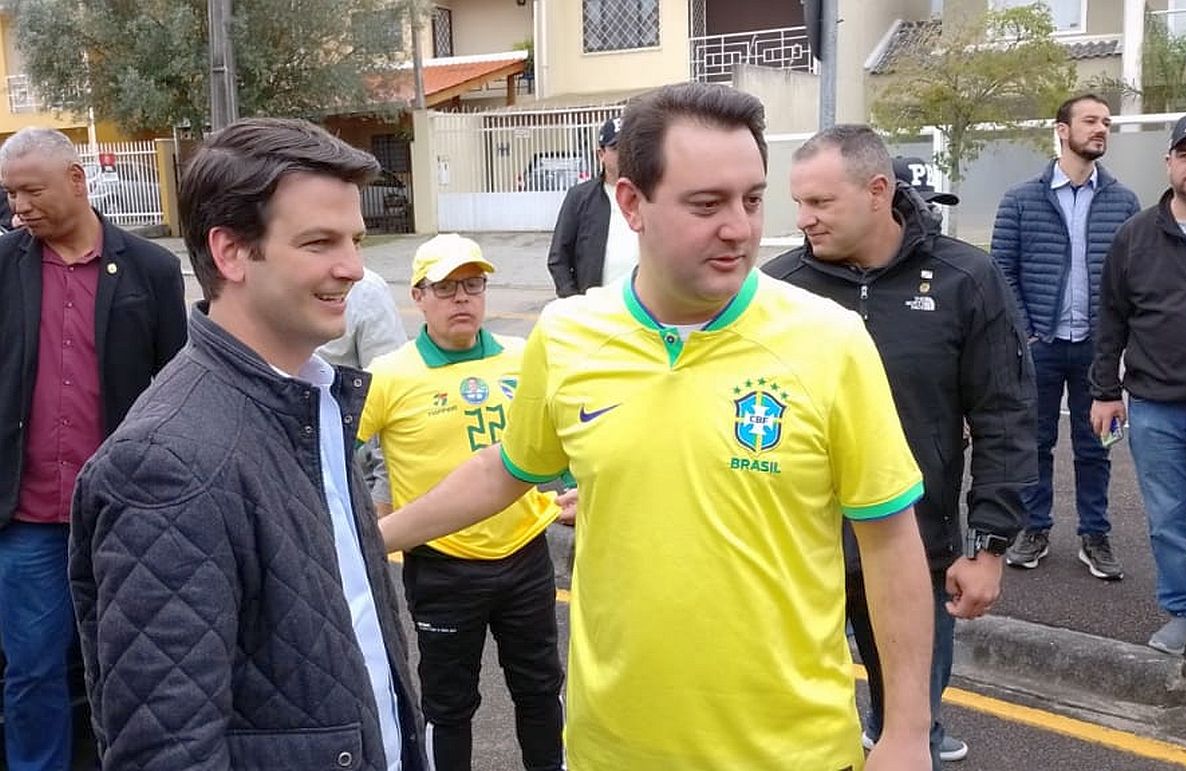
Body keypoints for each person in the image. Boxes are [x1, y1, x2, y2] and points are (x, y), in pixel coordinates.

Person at [378, 82, 935, 770]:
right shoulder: (569, 334)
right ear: (632, 203)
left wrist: (907, 731)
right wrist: (370, 540)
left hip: (794, 752)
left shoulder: (831, 340)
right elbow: (507, 469)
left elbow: (889, 541)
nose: (739, 227)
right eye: (707, 204)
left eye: (753, 199)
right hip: (611, 749)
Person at [69, 118, 426, 770]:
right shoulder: (168, 464)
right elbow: (167, 749)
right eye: (320, 242)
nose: (353, 268)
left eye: (355, 240)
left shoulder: (312, 400)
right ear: (231, 252)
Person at [764, 125, 1037, 768]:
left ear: (878, 190)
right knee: (786, 722)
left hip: (916, 546)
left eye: (820, 203)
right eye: (797, 202)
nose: (803, 219)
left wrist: (991, 546)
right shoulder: (776, 290)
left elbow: (1004, 415)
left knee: (908, 726)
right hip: (797, 553)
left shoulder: (965, 278)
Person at [0, 126, 186, 771]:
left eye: (31, 191)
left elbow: (177, 388)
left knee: (132, 664)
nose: (18, 206)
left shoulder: (152, 269)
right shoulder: (2, 266)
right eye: (10, 194)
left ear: (76, 181)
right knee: (30, 671)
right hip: (26, 518)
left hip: (122, 512)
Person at [359, 233, 567, 771]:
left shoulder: (525, 358)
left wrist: (577, 482)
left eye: (472, 285)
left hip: (525, 556)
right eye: (446, 287)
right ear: (418, 296)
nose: (462, 299)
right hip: (443, 567)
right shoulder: (389, 374)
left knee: (541, 688)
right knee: (449, 706)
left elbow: (563, 436)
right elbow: (332, 451)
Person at [991, 93, 1141, 579]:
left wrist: (1117, 344)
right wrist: (1028, 333)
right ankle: (1035, 527)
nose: (1101, 129)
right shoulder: (1020, 198)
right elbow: (1001, 272)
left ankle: (1094, 534)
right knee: (1033, 442)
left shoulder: (1123, 201)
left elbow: (1130, 278)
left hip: (1099, 351)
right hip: (1040, 349)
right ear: (1062, 129)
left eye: (1106, 123)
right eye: (1091, 121)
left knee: (1098, 443)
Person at [1091, 111, 1186, 656]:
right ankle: (1185, 612)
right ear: (1170, 162)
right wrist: (1105, 391)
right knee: (1167, 519)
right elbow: (1111, 316)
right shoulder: (1136, 235)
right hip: (1158, 407)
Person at [317, 267, 408, 514]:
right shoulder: (253, 291)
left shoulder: (366, 292)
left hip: (351, 487)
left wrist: (383, 497)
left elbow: (393, 395)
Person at [546, 117, 639, 296]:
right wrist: (574, 301)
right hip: (597, 311)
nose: (625, 155)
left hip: (644, 310)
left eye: (630, 148)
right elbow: (558, 258)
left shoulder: (651, 195)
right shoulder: (580, 197)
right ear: (601, 154)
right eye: (617, 149)